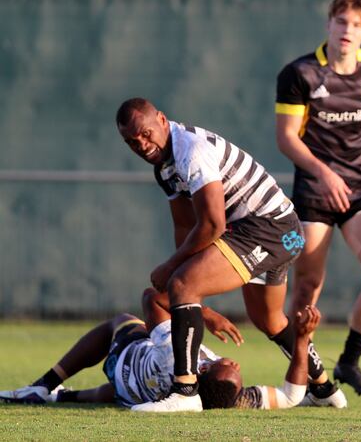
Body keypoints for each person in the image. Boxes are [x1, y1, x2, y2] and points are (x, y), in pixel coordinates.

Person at [113, 97, 341, 412]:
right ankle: (324, 388)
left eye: (145, 133)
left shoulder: (190, 150)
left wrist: (175, 272)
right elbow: (184, 226)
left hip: (269, 228)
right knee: (268, 319)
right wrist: (185, 282)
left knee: (182, 285)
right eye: (131, 141)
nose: (141, 144)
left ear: (162, 120)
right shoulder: (164, 168)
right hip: (274, 232)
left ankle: (185, 390)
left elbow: (212, 224)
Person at [275, 0, 361, 397]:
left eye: (356, 24)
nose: (347, 30)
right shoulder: (300, 74)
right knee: (306, 286)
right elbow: (285, 138)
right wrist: (323, 172)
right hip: (315, 194)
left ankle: (349, 362)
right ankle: (308, 368)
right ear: (329, 25)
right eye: (341, 22)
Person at [0, 287, 321, 410]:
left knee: (122, 322)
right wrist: (302, 340)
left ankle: (45, 386)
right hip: (131, 393)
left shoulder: (177, 356)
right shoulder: (232, 401)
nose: (236, 365)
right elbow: (293, 394)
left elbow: (151, 296)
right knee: (114, 394)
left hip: (126, 356)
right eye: (238, 372)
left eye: (229, 366)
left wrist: (202, 313)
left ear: (203, 369)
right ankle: (64, 397)